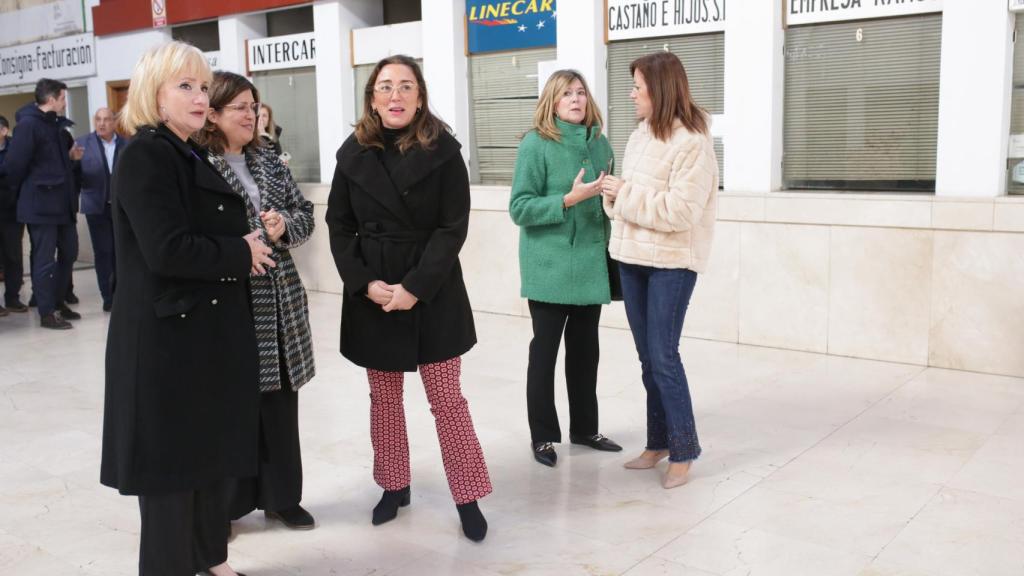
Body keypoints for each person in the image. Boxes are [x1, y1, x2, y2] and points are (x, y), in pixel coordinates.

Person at [100, 41, 274, 576]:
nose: (200, 98)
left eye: (203, 87)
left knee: (205, 456)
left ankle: (209, 558)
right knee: (171, 472)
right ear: (155, 94)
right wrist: (240, 252)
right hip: (165, 341)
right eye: (185, 87)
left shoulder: (186, 150)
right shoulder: (146, 154)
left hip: (198, 334)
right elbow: (166, 249)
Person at [326, 54, 491, 542]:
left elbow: (452, 227)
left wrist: (415, 288)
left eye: (405, 86)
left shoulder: (444, 151)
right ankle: (393, 485)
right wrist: (364, 283)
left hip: (432, 289)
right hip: (375, 292)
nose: (394, 95)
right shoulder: (352, 153)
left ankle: (468, 495)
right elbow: (340, 226)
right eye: (384, 86)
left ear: (420, 97)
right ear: (372, 98)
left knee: (447, 399)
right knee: (384, 398)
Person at [197, 71, 317, 531]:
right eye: (240, 108)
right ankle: (226, 507)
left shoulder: (268, 159)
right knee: (231, 407)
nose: (251, 116)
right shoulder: (198, 163)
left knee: (280, 405)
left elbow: (305, 213)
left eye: (253, 106)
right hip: (231, 296)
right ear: (213, 114)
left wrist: (284, 225)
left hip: (279, 300)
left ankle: (283, 498)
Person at [599, 52, 719, 489]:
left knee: (664, 357)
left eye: (638, 87)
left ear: (660, 90)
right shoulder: (639, 136)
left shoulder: (693, 143)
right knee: (648, 358)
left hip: (671, 264)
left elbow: (682, 212)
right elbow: (624, 204)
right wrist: (612, 195)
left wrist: (624, 194)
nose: (631, 94)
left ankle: (684, 450)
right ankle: (658, 443)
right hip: (632, 260)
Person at [509, 69, 623, 468]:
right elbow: (519, 208)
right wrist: (567, 200)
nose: (576, 99)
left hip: (591, 264)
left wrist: (616, 197)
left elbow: (605, 207)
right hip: (549, 268)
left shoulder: (600, 143)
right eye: (566, 94)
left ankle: (585, 429)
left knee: (585, 353)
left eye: (580, 92)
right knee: (544, 355)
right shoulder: (535, 144)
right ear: (552, 102)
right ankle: (542, 435)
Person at [4, 78, 83, 329]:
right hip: (40, 205)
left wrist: (71, 158)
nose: (64, 103)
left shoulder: (55, 125)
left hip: (63, 203)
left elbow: (52, 164)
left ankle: (58, 301)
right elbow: (14, 167)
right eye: (62, 98)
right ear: (51, 99)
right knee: (44, 259)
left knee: (69, 252)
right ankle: (47, 312)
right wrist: (24, 194)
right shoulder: (29, 126)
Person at [75, 107, 125, 312]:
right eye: (98, 119)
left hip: (121, 208)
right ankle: (108, 296)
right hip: (96, 206)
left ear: (115, 122)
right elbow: (75, 175)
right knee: (103, 252)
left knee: (121, 252)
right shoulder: (82, 144)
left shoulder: (126, 144)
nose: (102, 123)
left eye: (106, 119)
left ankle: (122, 294)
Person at [0, 115, 27, 315]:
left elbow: (18, 171)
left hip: (12, 209)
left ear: (4, 130)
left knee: (14, 255)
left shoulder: (15, 148)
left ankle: (13, 297)